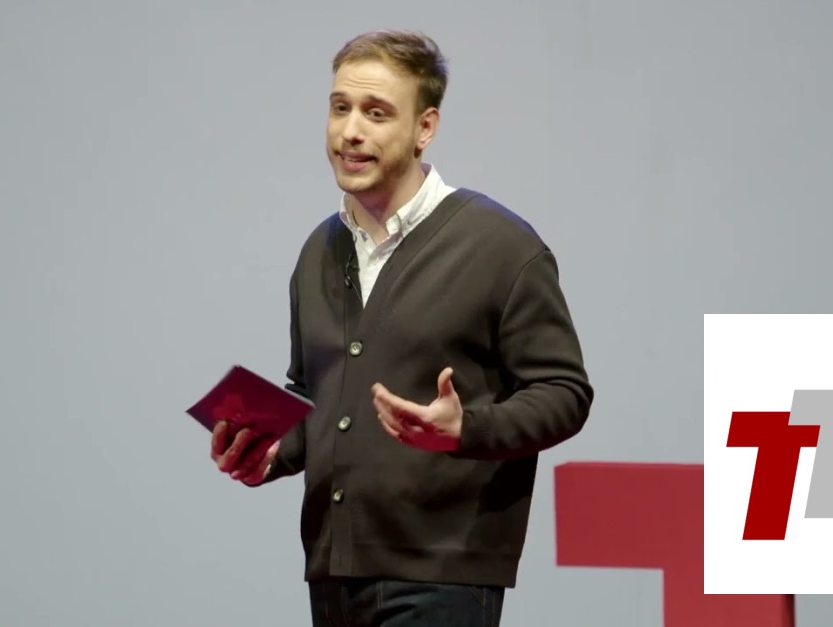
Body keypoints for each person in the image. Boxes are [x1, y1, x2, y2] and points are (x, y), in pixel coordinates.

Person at [211, 29, 593, 627]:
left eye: (376, 113)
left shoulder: (501, 247)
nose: (350, 131)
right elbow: (319, 396)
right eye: (340, 107)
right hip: (333, 575)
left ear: (424, 128)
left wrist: (466, 429)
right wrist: (275, 449)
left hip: (442, 576)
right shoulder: (319, 250)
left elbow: (564, 393)